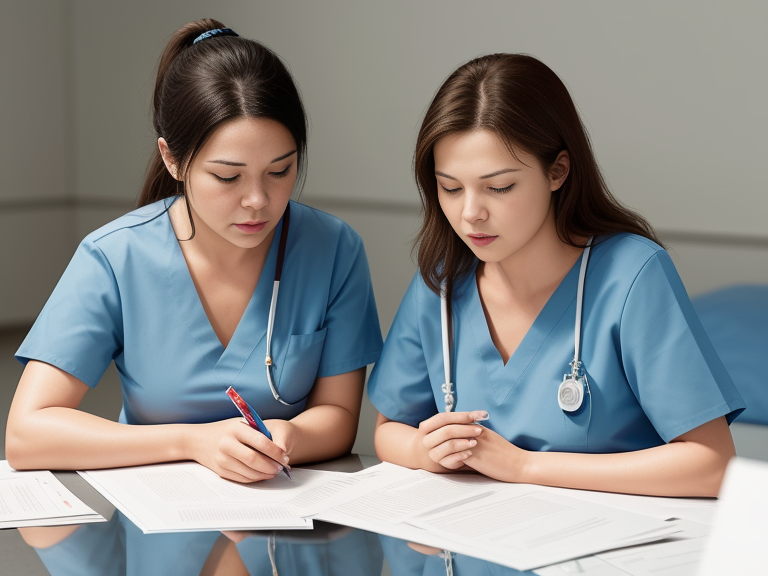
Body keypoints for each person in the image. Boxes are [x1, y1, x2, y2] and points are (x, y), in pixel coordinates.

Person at [6, 18, 382, 576]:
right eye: (228, 177)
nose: (258, 200)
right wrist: (193, 442)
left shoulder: (333, 249)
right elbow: (27, 433)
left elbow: (340, 416)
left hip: (286, 536)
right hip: (154, 534)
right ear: (173, 159)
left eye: (280, 171)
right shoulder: (116, 257)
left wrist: (288, 436)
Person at [368, 53, 744, 500]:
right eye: (450, 187)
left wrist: (524, 466)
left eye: (499, 187)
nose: (470, 213)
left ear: (558, 171)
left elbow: (713, 465)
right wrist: (424, 450)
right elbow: (389, 429)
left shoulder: (632, 277)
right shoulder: (441, 284)